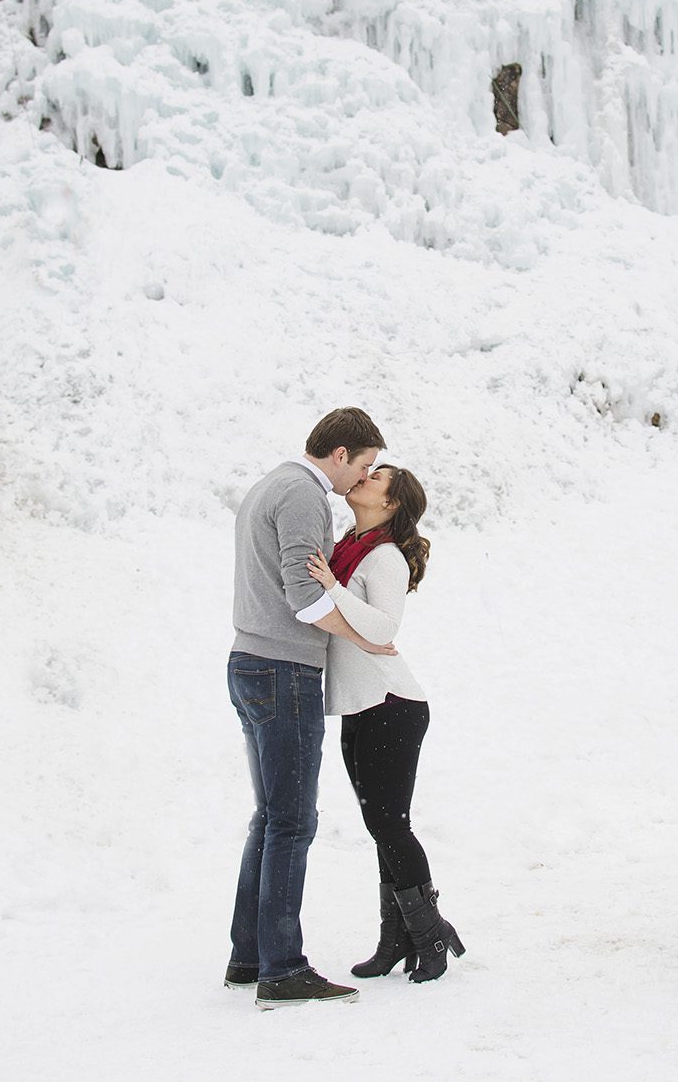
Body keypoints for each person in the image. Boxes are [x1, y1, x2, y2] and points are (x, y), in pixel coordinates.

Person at [225, 407, 398, 1010]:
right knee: (292, 822)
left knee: (270, 818)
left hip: (250, 663)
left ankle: (250, 956)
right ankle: (281, 969)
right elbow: (303, 600)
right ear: (342, 454)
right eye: (367, 465)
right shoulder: (303, 495)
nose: (365, 477)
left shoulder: (273, 482)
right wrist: (366, 638)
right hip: (282, 671)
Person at [306, 463, 465, 984]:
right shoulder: (349, 547)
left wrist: (332, 586)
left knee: (392, 825)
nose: (365, 478)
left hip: (392, 703)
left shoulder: (384, 558)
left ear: (391, 504)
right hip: (361, 704)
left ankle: (430, 935)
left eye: (377, 479)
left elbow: (383, 626)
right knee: (381, 827)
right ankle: (395, 940)